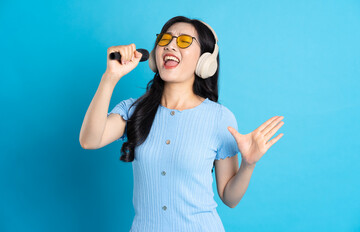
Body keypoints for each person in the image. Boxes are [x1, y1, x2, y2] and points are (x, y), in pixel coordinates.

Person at [79, 15, 285, 232]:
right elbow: (89, 140)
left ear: (205, 61)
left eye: (184, 41)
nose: (170, 45)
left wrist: (248, 164)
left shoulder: (220, 118)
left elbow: (230, 198)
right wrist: (110, 76)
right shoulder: (134, 110)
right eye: (165, 39)